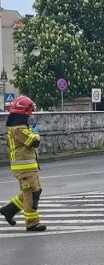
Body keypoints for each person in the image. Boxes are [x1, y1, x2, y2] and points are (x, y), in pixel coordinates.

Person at [0, 96, 47, 232]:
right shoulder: (18, 129)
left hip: (28, 168)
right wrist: (35, 132)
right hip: (24, 168)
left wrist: (32, 131)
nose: (30, 114)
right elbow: (34, 141)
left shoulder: (19, 127)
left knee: (34, 191)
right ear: (23, 111)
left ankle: (9, 210)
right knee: (31, 194)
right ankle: (32, 223)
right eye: (29, 111)